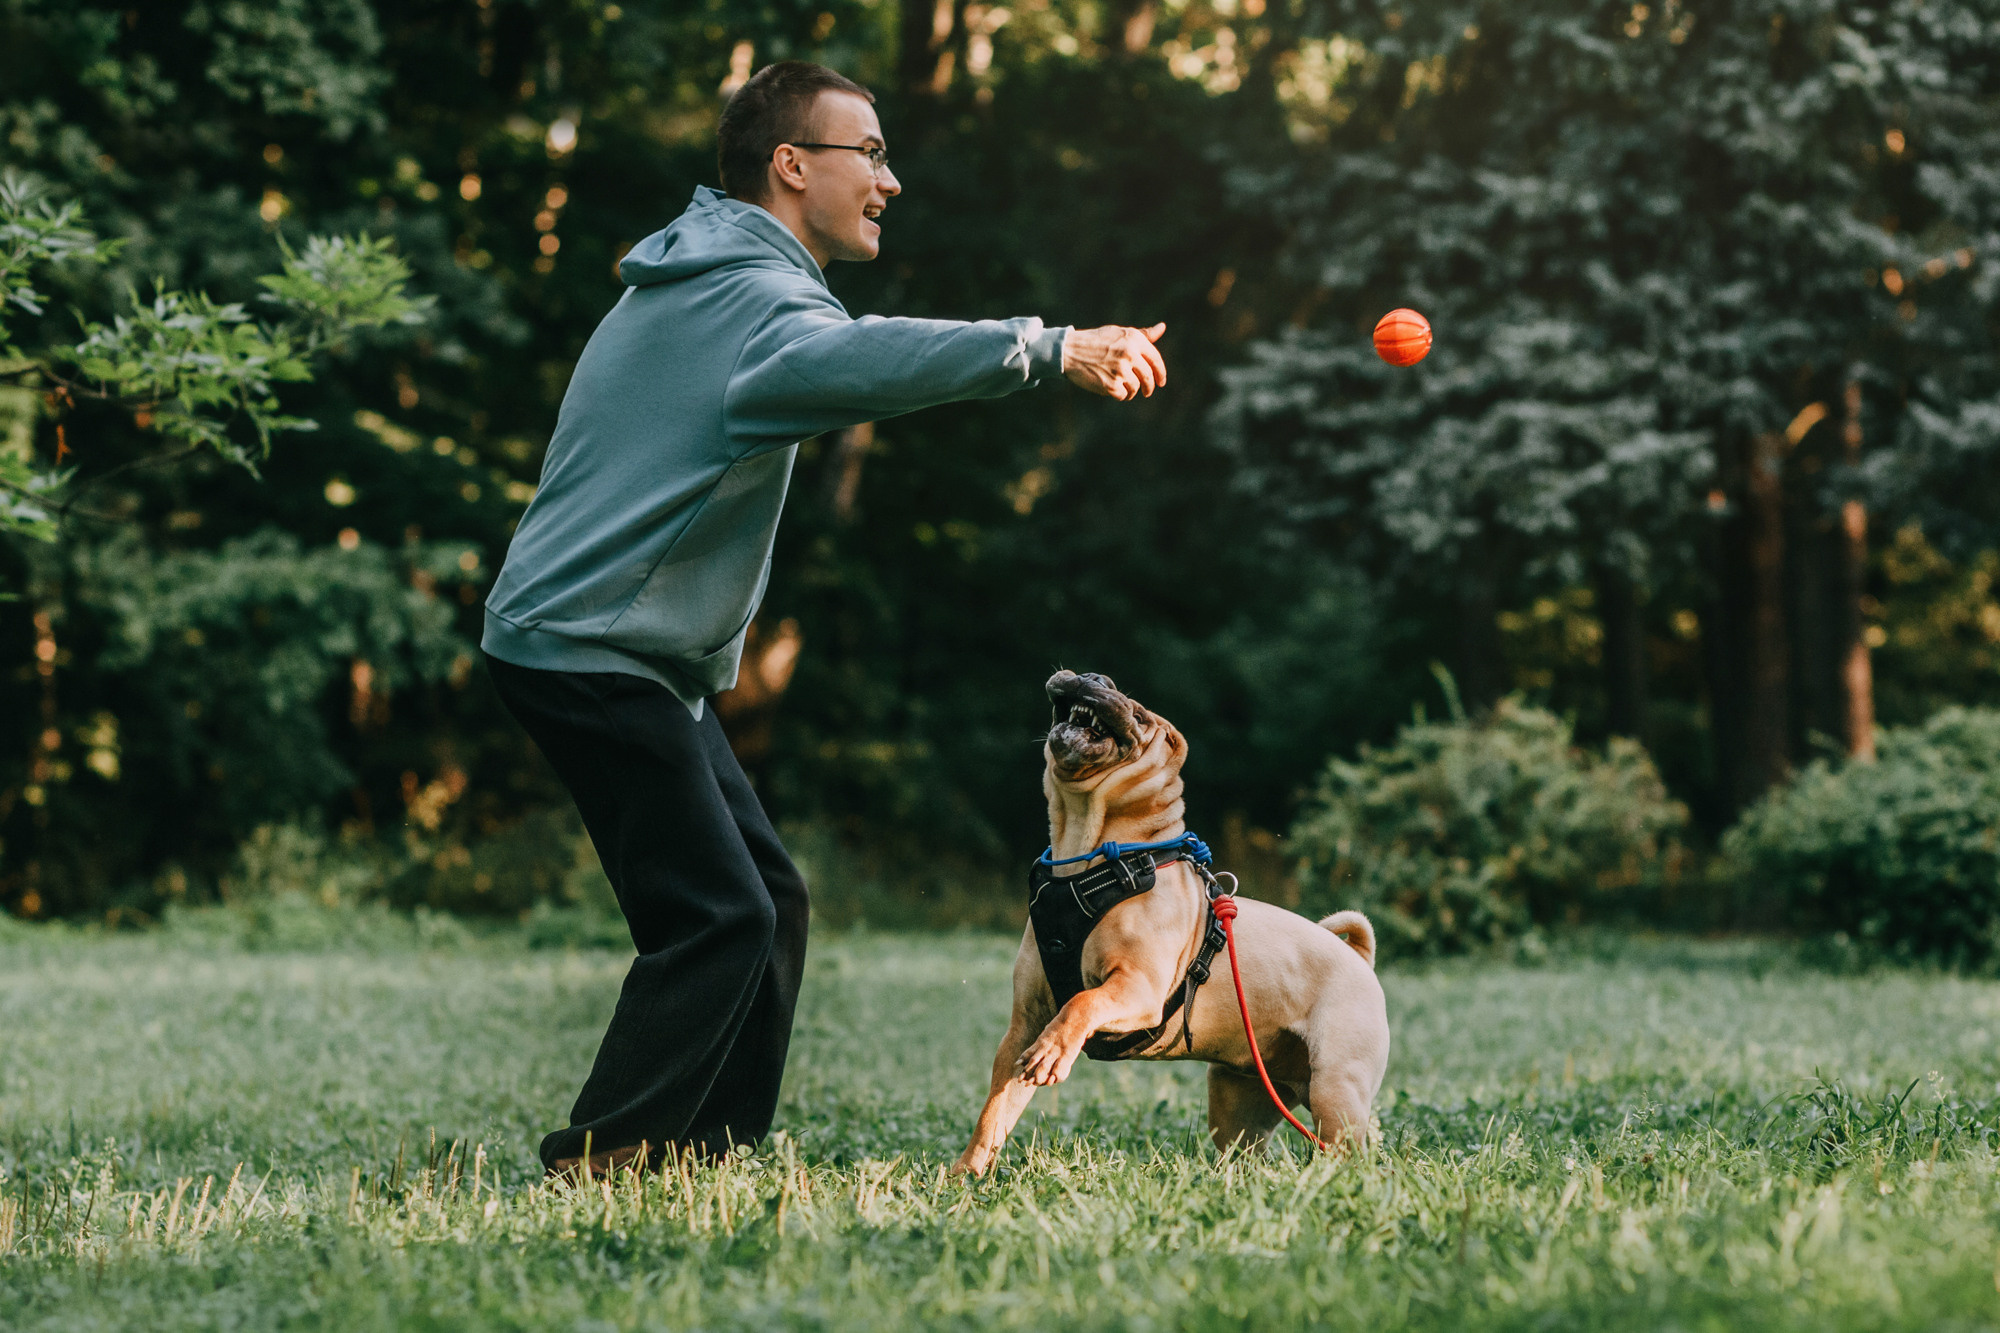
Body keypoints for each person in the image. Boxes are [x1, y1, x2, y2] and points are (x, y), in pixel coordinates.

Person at [481, 59, 1168, 1178]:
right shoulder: (746, 303)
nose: (890, 180)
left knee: (769, 901)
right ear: (791, 165)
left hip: (626, 650)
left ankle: (705, 1152)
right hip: (587, 647)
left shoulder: (717, 276)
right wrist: (1051, 346)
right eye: (872, 153)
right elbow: (868, 358)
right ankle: (598, 1158)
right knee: (715, 915)